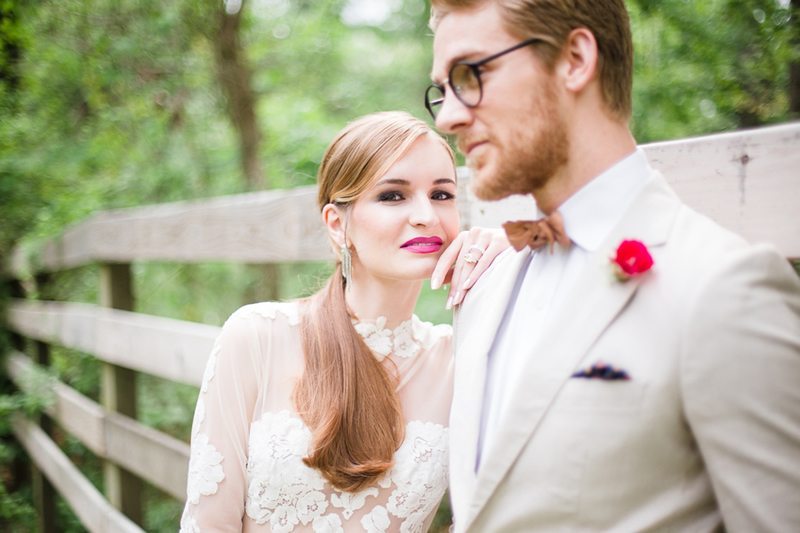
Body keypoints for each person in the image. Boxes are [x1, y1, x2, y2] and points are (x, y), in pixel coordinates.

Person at [426, 1, 800, 531]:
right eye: (442, 89)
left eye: (470, 74)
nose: (448, 116)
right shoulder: (484, 285)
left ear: (576, 59)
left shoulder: (724, 288)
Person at [179, 111, 507, 532]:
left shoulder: (457, 358)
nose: (426, 215)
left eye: (442, 195)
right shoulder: (257, 336)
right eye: (393, 196)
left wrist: (513, 252)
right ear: (338, 225)